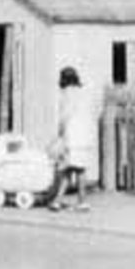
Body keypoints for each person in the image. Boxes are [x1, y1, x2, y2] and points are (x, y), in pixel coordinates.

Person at [52, 66, 97, 212]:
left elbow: (65, 115)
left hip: (71, 136)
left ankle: (58, 201)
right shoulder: (84, 93)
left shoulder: (66, 93)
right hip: (85, 136)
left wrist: (60, 133)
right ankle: (81, 201)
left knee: (67, 169)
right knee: (80, 169)